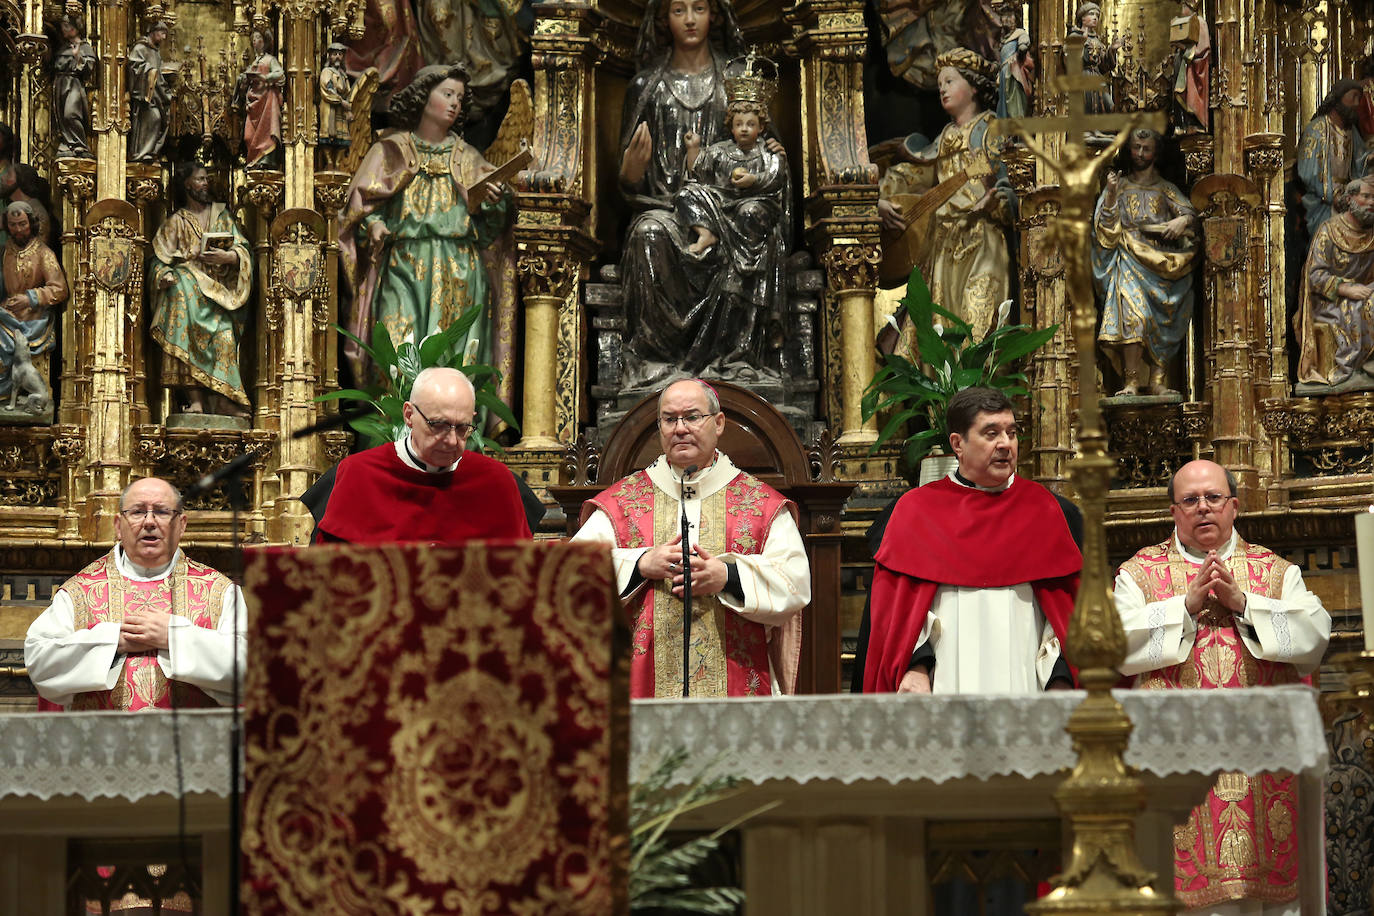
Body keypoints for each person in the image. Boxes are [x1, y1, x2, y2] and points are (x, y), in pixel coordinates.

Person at [1113, 460, 1330, 915]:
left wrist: (1244, 602)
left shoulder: (1274, 571)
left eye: (1213, 498)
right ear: (1174, 511)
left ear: (1234, 506)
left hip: (1263, 765)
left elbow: (1313, 638)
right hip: (1175, 759)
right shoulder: (1139, 574)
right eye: (1190, 500)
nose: (1203, 509)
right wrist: (1184, 607)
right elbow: (1113, 645)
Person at [572, 378, 809, 697]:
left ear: (719, 423)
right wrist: (639, 563)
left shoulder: (760, 505)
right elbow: (570, 576)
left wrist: (726, 576)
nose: (680, 428)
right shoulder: (623, 503)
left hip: (736, 687)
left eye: (692, 417)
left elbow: (795, 583)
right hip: (641, 690)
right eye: (669, 419)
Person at [620, 0, 798, 388]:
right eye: (678, 9)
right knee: (647, 233)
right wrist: (631, 171)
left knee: (756, 225)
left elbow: (768, 163)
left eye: (698, 8)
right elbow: (629, 181)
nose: (688, 19)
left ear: (714, 15)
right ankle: (656, 359)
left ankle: (739, 359)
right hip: (667, 208)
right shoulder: (646, 86)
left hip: (731, 208)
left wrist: (772, 160)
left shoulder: (734, 81)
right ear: (662, 18)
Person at [860, 387, 1082, 693]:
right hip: (944, 686)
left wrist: (1060, 676)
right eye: (991, 433)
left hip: (1028, 688)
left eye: (1012, 432)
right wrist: (916, 666)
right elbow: (897, 616)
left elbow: (1069, 614)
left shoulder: (1048, 511)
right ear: (958, 444)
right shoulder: (916, 513)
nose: (1005, 444)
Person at [339, 63, 512, 382]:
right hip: (403, 266)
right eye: (447, 94)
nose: (454, 104)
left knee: (450, 365)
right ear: (422, 96)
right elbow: (357, 209)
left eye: (459, 98)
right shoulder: (389, 151)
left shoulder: (468, 158)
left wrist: (493, 203)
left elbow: (491, 232)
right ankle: (394, 432)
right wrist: (373, 225)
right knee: (396, 354)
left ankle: (452, 427)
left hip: (458, 270)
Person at [25, 476, 248, 711]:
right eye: (137, 512)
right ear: (118, 525)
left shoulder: (220, 591)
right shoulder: (80, 591)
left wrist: (174, 638)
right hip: (103, 743)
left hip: (193, 743)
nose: (149, 522)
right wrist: (113, 641)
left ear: (181, 524)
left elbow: (250, 668)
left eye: (162, 512)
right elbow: (40, 661)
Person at [877, 49, 1015, 340]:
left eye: (950, 81)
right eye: (940, 84)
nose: (942, 88)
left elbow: (1012, 180)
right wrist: (879, 199)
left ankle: (980, 383)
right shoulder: (945, 138)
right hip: (942, 244)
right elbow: (914, 177)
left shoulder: (991, 129)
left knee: (978, 314)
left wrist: (996, 201)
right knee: (940, 324)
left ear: (974, 86)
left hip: (982, 238)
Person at [316, 367, 531, 543]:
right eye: (439, 425)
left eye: (463, 428)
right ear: (409, 415)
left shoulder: (496, 481)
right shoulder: (359, 474)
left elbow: (521, 573)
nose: (452, 440)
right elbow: (332, 572)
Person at [672, 77, 790, 377]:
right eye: (739, 123)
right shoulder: (721, 151)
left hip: (755, 210)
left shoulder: (768, 153)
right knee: (686, 194)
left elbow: (777, 179)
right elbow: (698, 173)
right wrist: (694, 148)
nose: (745, 129)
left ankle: (743, 263)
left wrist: (754, 181)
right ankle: (706, 232)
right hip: (721, 206)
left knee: (750, 210)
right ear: (731, 125)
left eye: (751, 124)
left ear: (761, 127)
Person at [1093, 128, 1199, 396]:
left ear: (1157, 152)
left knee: (1163, 321)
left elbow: (1193, 215)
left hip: (1162, 264)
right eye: (1136, 147)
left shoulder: (1166, 189)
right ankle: (1130, 381)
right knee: (1133, 316)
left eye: (1146, 148)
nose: (1140, 154)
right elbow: (1104, 230)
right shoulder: (1120, 184)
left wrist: (1182, 221)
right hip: (1128, 258)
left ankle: (1157, 380)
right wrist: (1112, 195)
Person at [150, 162, 254, 417]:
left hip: (219, 296)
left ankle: (223, 400)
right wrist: (163, 276)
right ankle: (194, 400)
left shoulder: (222, 216)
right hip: (187, 294)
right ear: (187, 185)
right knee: (180, 313)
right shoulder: (176, 222)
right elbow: (157, 259)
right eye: (200, 179)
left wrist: (228, 257)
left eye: (207, 178)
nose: (206, 183)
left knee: (225, 337)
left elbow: (244, 249)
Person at [1295, 176, 1374, 389]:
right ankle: (1349, 368)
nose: (1372, 202)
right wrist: (1346, 288)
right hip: (1331, 301)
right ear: (1350, 199)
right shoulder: (1328, 231)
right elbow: (1315, 276)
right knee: (1354, 309)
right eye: (1366, 196)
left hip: (1367, 293)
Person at [1, 201, 66, 408]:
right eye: (13, 225)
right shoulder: (4, 251)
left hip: (33, 319)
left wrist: (29, 298)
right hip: (7, 314)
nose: (18, 230)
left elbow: (60, 289)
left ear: (32, 223)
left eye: (22, 224)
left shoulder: (43, 253)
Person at [1297, 79, 1366, 239]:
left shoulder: (1351, 131)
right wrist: (1331, 194)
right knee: (1326, 243)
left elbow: (1361, 160)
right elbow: (1308, 171)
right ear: (1339, 98)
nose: (1356, 104)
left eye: (1359, 99)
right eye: (1353, 97)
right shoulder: (1317, 129)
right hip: (1323, 202)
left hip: (1349, 199)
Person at [238, 28, 284, 168]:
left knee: (267, 132)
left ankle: (266, 160)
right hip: (254, 101)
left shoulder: (270, 60)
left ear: (264, 42)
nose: (254, 41)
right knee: (248, 136)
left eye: (258, 38)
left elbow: (280, 73)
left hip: (267, 100)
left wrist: (264, 77)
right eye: (253, 38)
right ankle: (254, 159)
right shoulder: (254, 62)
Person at [52, 15, 97, 159]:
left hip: (73, 83)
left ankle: (79, 143)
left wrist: (78, 57)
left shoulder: (84, 47)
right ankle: (68, 143)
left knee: (71, 114)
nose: (63, 29)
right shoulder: (63, 47)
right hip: (60, 84)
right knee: (62, 118)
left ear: (75, 28)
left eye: (66, 26)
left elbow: (89, 68)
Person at [127, 22, 172, 162]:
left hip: (155, 94)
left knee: (161, 119)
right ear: (152, 31)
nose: (164, 37)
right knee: (155, 117)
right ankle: (141, 153)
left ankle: (150, 151)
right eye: (162, 33)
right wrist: (150, 71)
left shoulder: (155, 52)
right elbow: (134, 67)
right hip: (144, 96)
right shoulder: (140, 48)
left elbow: (158, 73)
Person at [1169, 0, 1210, 135]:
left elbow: (1202, 49)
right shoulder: (1184, 23)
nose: (1181, 9)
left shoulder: (1199, 22)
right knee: (1180, 93)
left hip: (1194, 70)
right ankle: (1182, 123)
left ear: (1189, 6)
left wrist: (1183, 48)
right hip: (1184, 66)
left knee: (1191, 97)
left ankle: (1195, 123)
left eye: (1183, 6)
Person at [994, 1, 1034, 120]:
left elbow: (1024, 43)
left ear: (1016, 18)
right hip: (1003, 74)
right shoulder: (1003, 39)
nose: (1007, 20)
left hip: (1013, 73)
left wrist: (1021, 49)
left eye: (1010, 16)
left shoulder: (1019, 33)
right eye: (1004, 16)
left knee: (1014, 101)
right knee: (1003, 103)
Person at [318, 42, 353, 156]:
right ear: (330, 56)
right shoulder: (327, 72)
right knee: (329, 133)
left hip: (341, 109)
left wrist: (347, 106)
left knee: (342, 136)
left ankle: (337, 163)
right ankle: (328, 160)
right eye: (334, 54)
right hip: (330, 105)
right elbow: (327, 88)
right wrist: (341, 101)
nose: (337, 56)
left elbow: (347, 91)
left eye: (340, 54)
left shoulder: (343, 74)